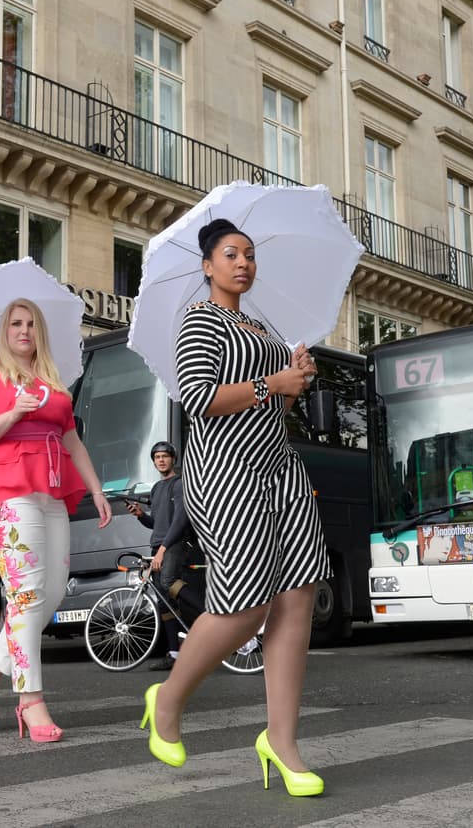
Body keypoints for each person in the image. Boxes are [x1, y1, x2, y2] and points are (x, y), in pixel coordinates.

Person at [141, 218, 326, 797]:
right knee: (246, 608)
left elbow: (271, 400)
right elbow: (198, 399)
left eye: (249, 254)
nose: (243, 263)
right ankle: (167, 698)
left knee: (298, 598)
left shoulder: (261, 324)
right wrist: (275, 382)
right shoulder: (199, 320)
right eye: (230, 254)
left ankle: (282, 741)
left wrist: (300, 375)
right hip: (227, 473)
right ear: (207, 266)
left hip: (281, 469)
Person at [0, 297, 113, 743]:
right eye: (15, 323)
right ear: (4, 332)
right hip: (3, 489)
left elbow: (72, 439)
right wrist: (14, 413)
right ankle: (31, 700)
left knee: (52, 594)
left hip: (50, 489)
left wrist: (96, 489)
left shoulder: (53, 382)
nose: (24, 330)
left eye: (31, 324)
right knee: (25, 595)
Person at [126, 441, 201, 671]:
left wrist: (163, 549)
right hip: (160, 545)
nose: (161, 460)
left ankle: (208, 612)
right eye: (157, 456)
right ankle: (174, 653)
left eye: (165, 456)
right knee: (164, 603)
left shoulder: (179, 484)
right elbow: (157, 524)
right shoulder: (157, 488)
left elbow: (180, 520)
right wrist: (141, 516)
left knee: (168, 582)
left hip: (175, 544)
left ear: (173, 459)